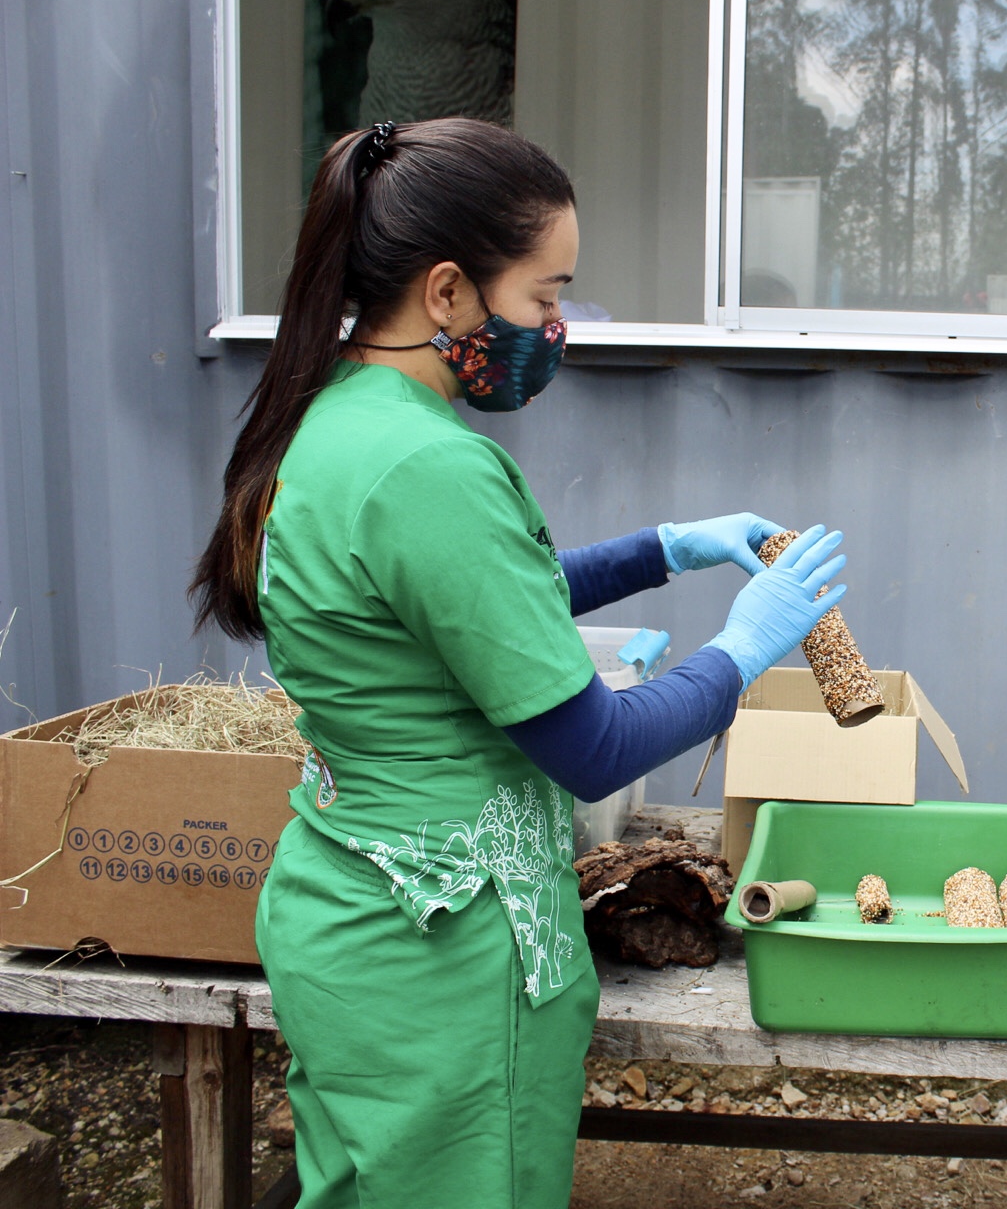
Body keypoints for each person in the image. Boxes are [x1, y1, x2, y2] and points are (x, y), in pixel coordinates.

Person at [190, 118, 846, 1208]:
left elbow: (474, 607)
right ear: (447, 293)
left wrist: (666, 547)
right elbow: (593, 745)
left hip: (355, 904)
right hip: (442, 954)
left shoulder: (341, 417)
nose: (557, 326)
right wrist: (740, 649)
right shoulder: (428, 464)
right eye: (545, 296)